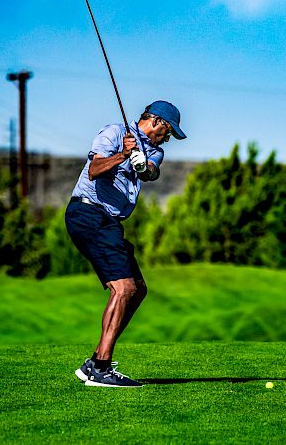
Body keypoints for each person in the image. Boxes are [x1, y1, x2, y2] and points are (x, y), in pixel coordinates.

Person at [65, 100, 186, 388]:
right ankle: (102, 368)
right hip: (88, 212)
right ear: (156, 122)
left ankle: (95, 362)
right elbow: (94, 170)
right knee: (124, 287)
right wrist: (123, 154)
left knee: (138, 289)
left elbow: (151, 173)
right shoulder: (115, 133)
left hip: (108, 222)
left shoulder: (155, 150)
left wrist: (142, 163)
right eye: (167, 132)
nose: (167, 138)